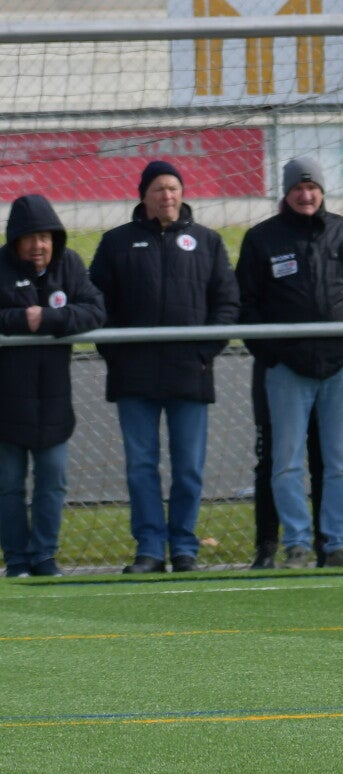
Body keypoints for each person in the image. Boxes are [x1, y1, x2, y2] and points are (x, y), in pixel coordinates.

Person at [89, 158, 240, 573]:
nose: (167, 195)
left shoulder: (207, 242)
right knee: (141, 466)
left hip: (190, 373)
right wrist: (116, 352)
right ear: (144, 196)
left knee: (188, 468)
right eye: (158, 189)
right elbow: (97, 303)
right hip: (134, 375)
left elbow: (227, 303)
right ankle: (150, 548)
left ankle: (185, 547)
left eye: (173, 188)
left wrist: (203, 353)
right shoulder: (116, 243)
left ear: (182, 193)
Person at [236, 156, 343, 568]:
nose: (306, 195)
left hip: (342, 367)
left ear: (322, 191)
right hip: (287, 369)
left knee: (342, 463)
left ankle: (338, 543)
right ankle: (297, 545)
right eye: (298, 188)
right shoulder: (261, 238)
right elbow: (246, 303)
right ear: (286, 192)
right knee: (286, 463)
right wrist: (270, 352)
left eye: (312, 187)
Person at [0, 195, 105, 578]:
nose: (38, 245)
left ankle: (44, 557)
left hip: (54, 404)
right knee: (8, 487)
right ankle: (16, 560)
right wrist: (19, 320)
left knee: (53, 482)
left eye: (44, 237)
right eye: (29, 238)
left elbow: (95, 309)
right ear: (15, 240)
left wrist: (49, 318)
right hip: (7, 404)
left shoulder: (69, 265)